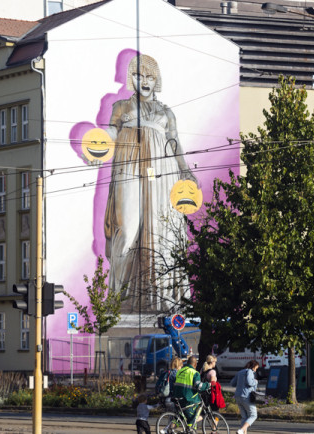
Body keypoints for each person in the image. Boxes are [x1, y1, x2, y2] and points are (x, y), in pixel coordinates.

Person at [103, 54, 197, 311]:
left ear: (157, 80)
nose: (144, 81)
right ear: (130, 78)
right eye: (138, 75)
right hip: (128, 165)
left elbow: (174, 144)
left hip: (162, 174)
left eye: (150, 76)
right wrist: (97, 144)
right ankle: (119, 299)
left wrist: (186, 171)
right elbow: (112, 130)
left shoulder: (167, 112)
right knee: (127, 227)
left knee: (161, 233)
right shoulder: (121, 106)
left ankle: (161, 299)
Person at [172, 355, 209, 427]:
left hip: (177, 397)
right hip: (188, 399)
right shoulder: (194, 373)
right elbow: (199, 386)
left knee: (179, 417)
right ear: (195, 364)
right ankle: (190, 430)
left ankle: (168, 429)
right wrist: (208, 385)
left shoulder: (180, 371)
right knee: (191, 419)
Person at [230, 360, 259, 434]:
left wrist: (240, 383)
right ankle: (241, 430)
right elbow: (249, 382)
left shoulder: (240, 372)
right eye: (256, 368)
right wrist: (255, 381)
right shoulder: (249, 371)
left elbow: (232, 383)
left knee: (244, 417)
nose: (256, 370)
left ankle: (243, 432)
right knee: (253, 415)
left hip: (238, 396)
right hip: (246, 396)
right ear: (253, 366)